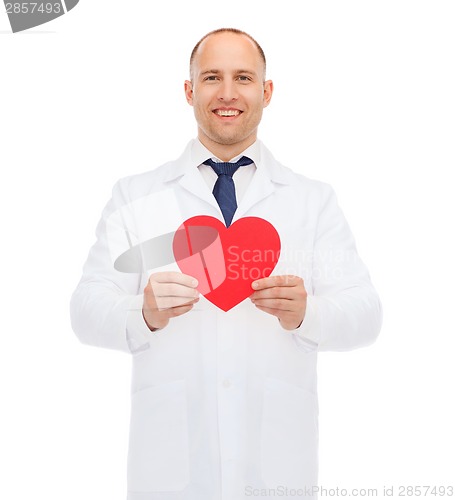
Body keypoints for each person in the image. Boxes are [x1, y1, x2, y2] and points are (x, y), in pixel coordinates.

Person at [70, 28, 382, 500]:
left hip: (277, 464)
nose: (228, 93)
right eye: (212, 77)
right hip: (170, 469)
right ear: (189, 90)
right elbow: (85, 309)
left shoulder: (312, 201)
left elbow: (366, 315)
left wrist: (307, 314)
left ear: (267, 91)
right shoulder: (136, 196)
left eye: (244, 77)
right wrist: (143, 312)